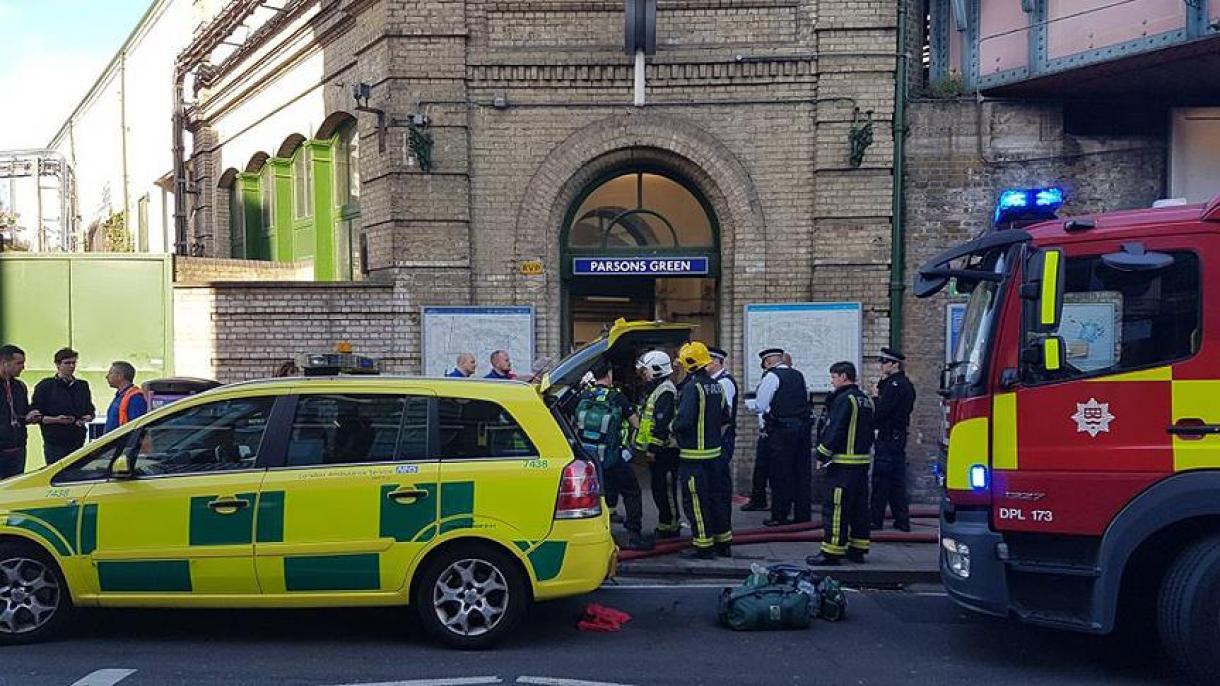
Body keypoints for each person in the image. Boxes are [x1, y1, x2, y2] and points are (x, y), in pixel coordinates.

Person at [574, 359, 650, 550]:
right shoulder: (617, 398)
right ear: (609, 374)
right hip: (613, 457)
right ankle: (634, 535)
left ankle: (601, 536)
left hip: (589, 459)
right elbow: (637, 425)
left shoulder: (584, 396)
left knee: (599, 495)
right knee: (632, 492)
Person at [807, 361, 876, 566]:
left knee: (836, 508)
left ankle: (832, 551)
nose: (832, 380)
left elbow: (835, 429)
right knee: (859, 508)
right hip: (861, 463)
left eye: (834, 376)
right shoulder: (865, 400)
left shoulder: (845, 400)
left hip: (843, 465)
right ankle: (858, 548)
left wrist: (821, 454)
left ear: (844, 376)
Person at [672, 341, 729, 559]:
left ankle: (703, 546)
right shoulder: (717, 386)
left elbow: (683, 422)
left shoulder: (691, 388)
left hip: (693, 458)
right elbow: (726, 417)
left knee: (696, 501)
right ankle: (724, 543)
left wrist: (671, 427)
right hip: (715, 456)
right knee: (717, 499)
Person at [752, 348, 812, 526]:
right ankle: (803, 514)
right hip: (802, 429)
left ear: (768, 362)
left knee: (780, 473)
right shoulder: (798, 375)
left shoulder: (771, 376)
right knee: (801, 473)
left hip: (781, 431)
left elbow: (761, 405)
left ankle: (780, 515)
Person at [633, 350, 681, 540]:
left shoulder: (666, 391)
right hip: (658, 450)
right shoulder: (657, 389)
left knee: (666, 489)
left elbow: (662, 423)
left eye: (645, 371)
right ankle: (665, 523)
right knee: (658, 488)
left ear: (656, 369)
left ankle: (671, 525)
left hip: (665, 451)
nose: (643, 375)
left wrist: (653, 448)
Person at [871, 347, 916, 532]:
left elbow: (881, 412)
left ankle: (875, 520)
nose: (881, 366)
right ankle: (902, 520)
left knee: (881, 481)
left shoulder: (894, 386)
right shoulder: (904, 384)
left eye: (884, 362)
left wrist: (875, 397)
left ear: (894, 364)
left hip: (888, 438)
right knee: (897, 481)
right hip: (898, 438)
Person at [32, 347, 95, 465]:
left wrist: (86, 418)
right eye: (67, 363)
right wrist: (56, 420)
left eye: (73, 363)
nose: (71, 366)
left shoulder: (82, 386)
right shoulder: (45, 386)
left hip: (77, 440)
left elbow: (90, 410)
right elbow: (36, 415)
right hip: (55, 441)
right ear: (57, 365)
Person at [706, 346, 738, 546]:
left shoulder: (724, 383)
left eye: (707, 360)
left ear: (716, 361)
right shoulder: (714, 383)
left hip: (721, 441)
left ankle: (722, 532)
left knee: (719, 488)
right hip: (716, 440)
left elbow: (722, 416)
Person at [0, 345, 40, 479]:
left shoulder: (19, 386)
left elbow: (21, 412)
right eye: (19, 363)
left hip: (17, 448)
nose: (23, 367)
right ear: (5, 363)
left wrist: (31, 415)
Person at [104, 361, 147, 433]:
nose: (107, 377)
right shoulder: (121, 396)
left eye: (110, 373)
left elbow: (136, 428)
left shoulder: (135, 398)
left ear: (120, 376)